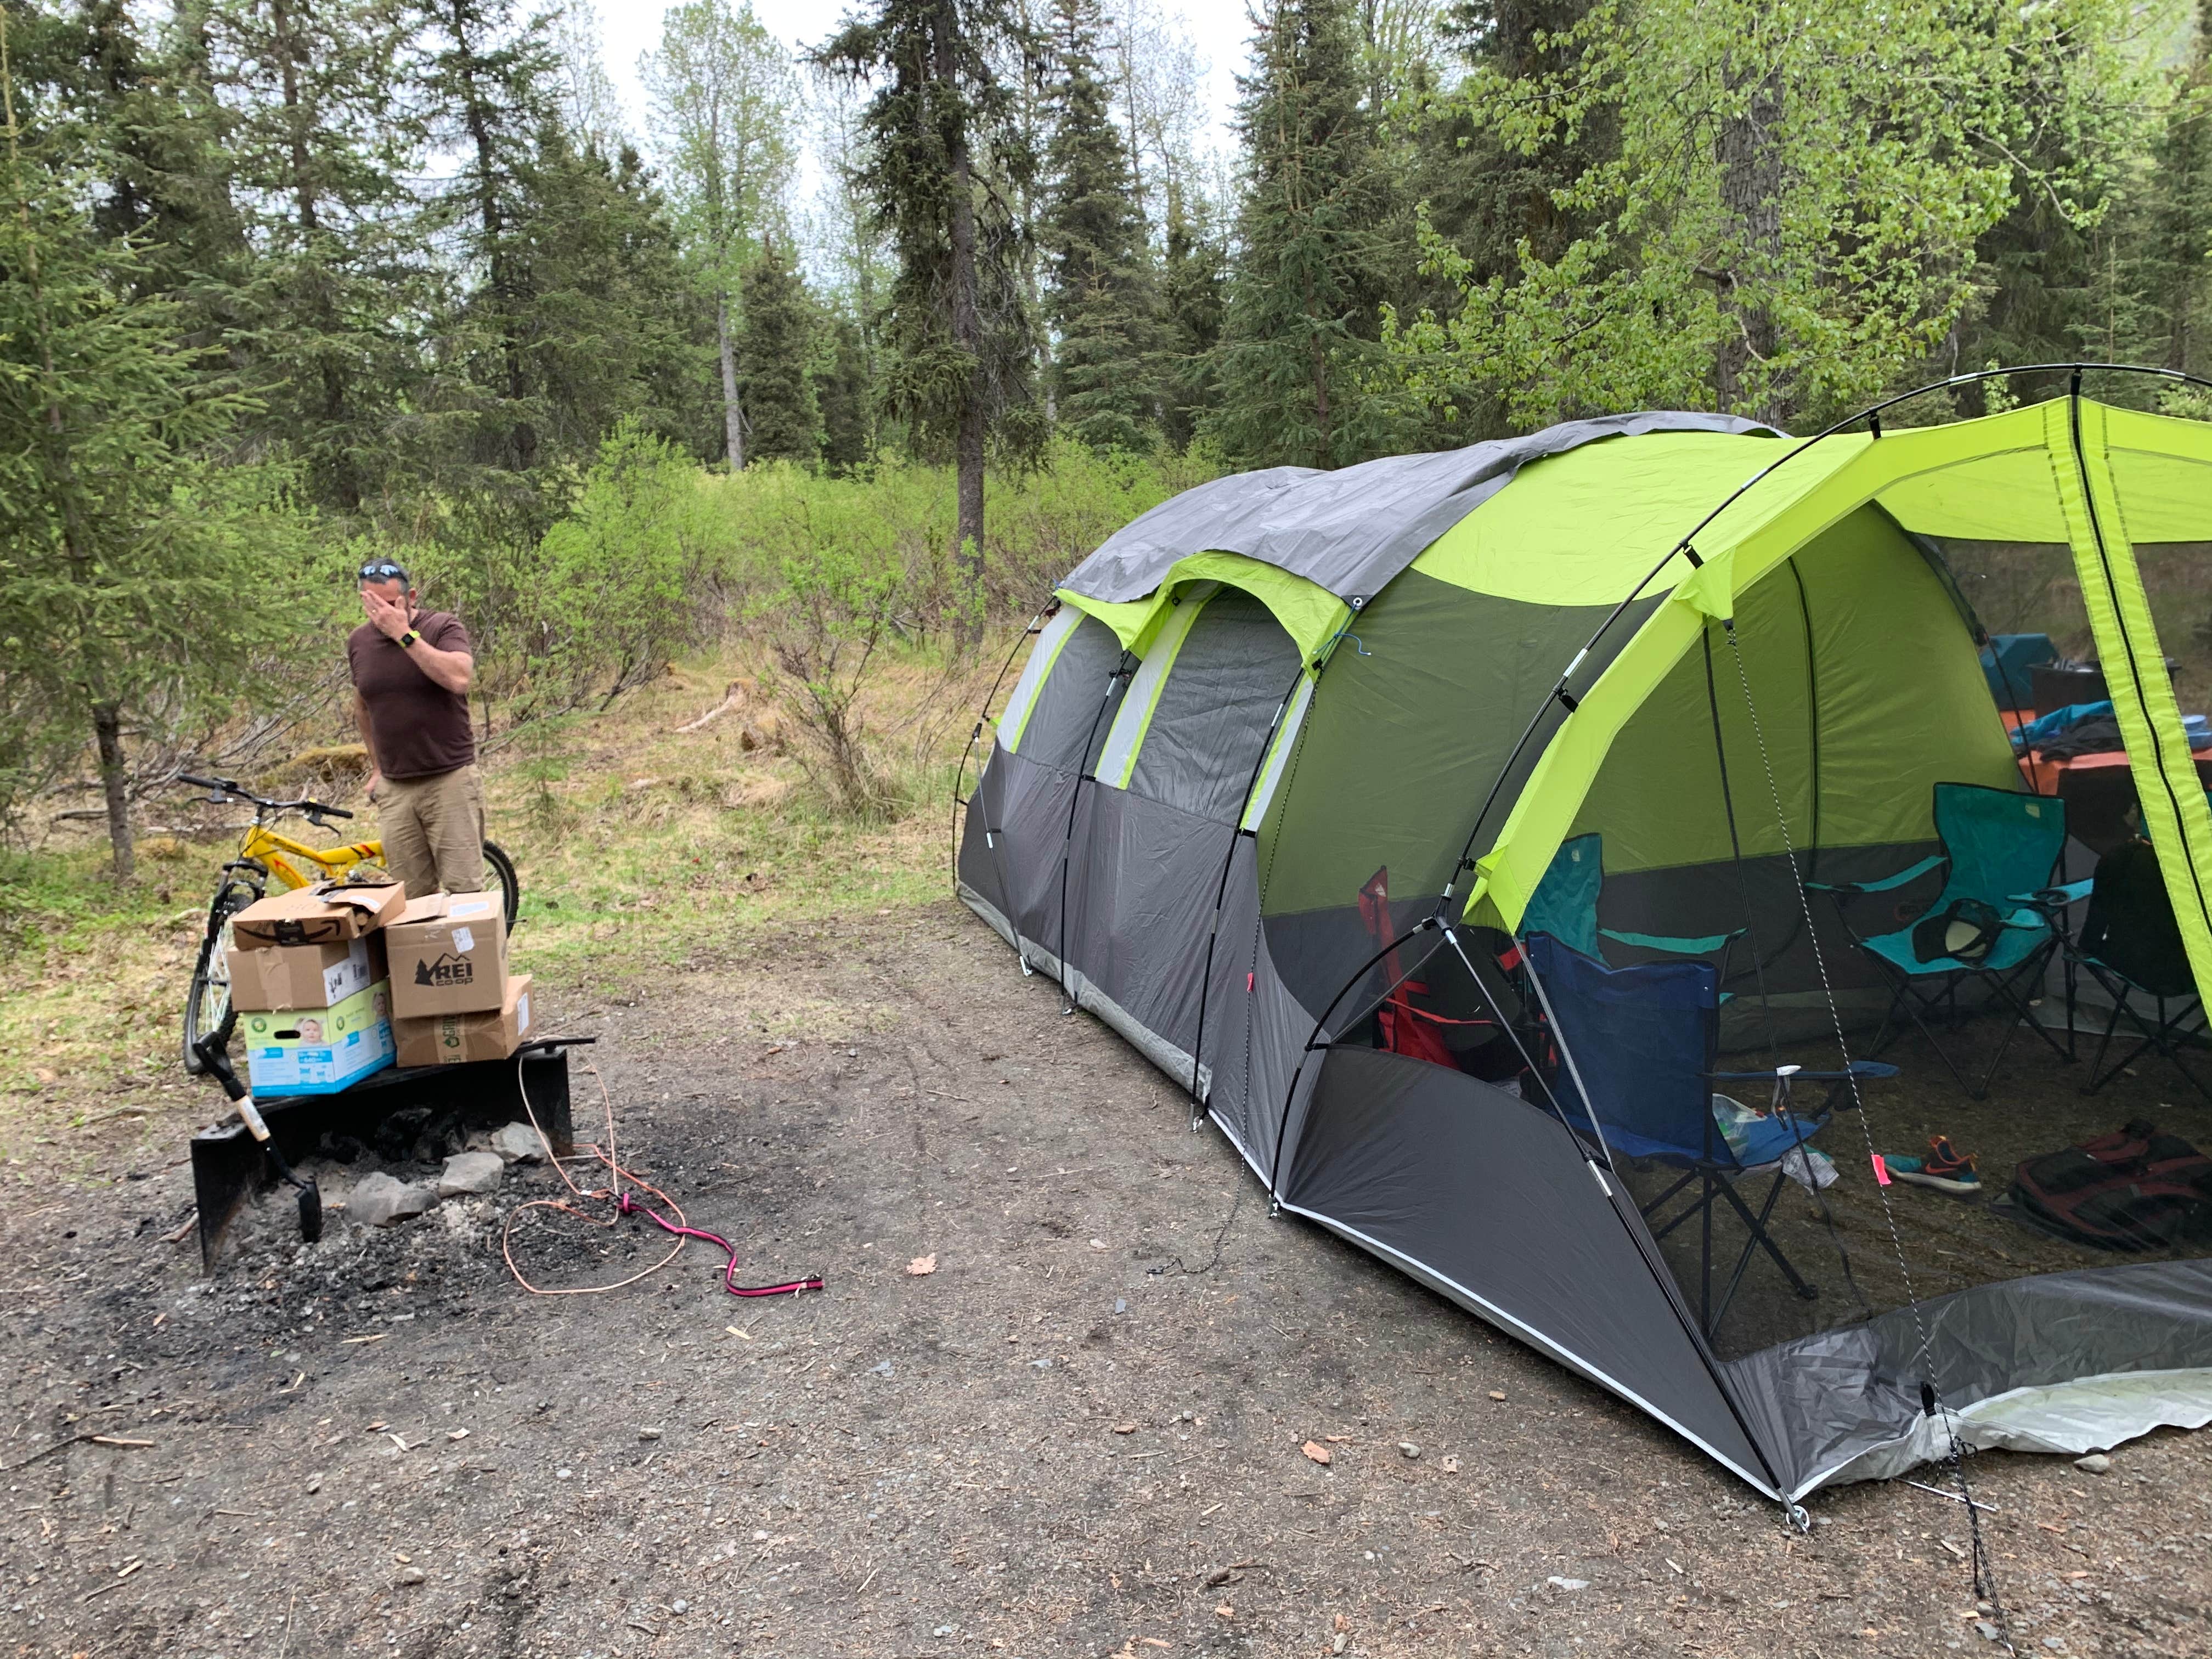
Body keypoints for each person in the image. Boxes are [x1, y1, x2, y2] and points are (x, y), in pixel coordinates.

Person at [347, 558, 484, 898]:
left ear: (411, 596)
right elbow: (363, 706)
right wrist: (378, 767)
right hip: (397, 789)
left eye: (391, 603)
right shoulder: (358, 642)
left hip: (449, 780)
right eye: (372, 604)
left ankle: (475, 953)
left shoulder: (442, 627)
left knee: (465, 894)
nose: (382, 613)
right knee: (410, 900)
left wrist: (404, 635)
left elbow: (459, 678)